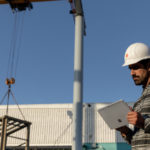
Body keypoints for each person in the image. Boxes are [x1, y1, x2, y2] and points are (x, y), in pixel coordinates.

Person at [117, 42, 150, 150]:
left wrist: (144, 122)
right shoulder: (139, 101)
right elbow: (141, 141)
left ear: (148, 66)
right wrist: (125, 131)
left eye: (136, 67)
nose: (132, 73)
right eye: (130, 68)